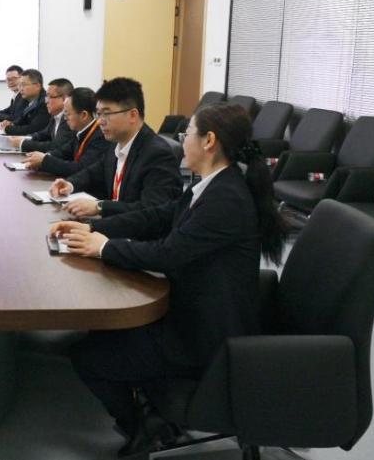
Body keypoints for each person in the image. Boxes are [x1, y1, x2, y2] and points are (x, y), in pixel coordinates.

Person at [49, 103, 287, 456]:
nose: (182, 140)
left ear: (209, 141)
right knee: (103, 334)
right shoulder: (213, 185)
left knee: (90, 357)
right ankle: (150, 410)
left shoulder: (226, 199)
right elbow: (158, 217)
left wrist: (104, 248)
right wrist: (94, 228)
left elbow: (167, 253)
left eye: (187, 133)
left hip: (204, 333)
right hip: (195, 308)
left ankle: (145, 430)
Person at [50, 78, 181, 217]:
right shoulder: (116, 143)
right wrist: (70, 184)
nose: (100, 121)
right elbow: (93, 172)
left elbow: (151, 210)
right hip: (113, 224)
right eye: (98, 114)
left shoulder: (157, 154)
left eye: (106, 113)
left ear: (132, 115)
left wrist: (100, 207)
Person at [22, 87, 108, 177]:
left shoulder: (100, 136)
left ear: (83, 115)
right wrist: (43, 156)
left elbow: (80, 168)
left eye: (67, 113)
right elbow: (63, 152)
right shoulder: (79, 131)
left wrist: (44, 161)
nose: (65, 118)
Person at [9, 78, 73, 153]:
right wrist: (24, 138)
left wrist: (23, 143)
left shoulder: (69, 119)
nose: (46, 101)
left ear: (65, 99)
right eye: (46, 96)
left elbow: (55, 146)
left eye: (50, 97)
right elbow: (43, 134)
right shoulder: (56, 115)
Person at [1, 68, 50, 136]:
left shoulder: (45, 103)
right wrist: (12, 124)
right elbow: (22, 120)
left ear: (37, 86)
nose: (20, 89)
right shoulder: (26, 100)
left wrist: (7, 129)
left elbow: (33, 129)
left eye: (23, 85)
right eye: (20, 85)